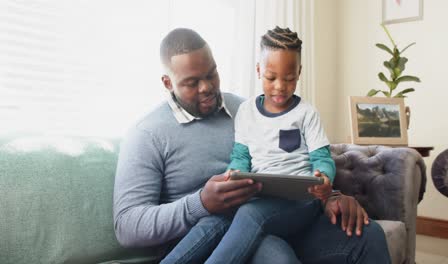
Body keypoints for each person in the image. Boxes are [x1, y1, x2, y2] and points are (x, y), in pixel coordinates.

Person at [113, 27, 391, 264]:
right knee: (275, 256)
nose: (207, 87)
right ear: (167, 82)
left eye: (211, 74)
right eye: (191, 82)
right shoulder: (146, 134)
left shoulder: (245, 109)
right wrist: (200, 204)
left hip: (282, 214)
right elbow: (126, 227)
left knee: (369, 236)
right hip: (218, 231)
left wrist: (331, 194)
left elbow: (293, 159)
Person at [161, 26, 336, 264]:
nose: (280, 87)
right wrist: (233, 172)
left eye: (289, 78)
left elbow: (322, 158)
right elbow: (241, 156)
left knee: (249, 214)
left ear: (299, 73)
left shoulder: (306, 113)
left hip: (302, 201)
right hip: (261, 197)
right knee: (215, 220)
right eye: (271, 78)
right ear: (258, 71)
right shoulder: (246, 112)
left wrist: (324, 178)